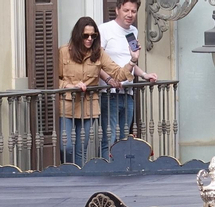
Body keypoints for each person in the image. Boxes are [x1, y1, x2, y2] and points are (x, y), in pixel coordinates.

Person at [57, 17, 134, 165]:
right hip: (67, 105)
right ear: (78, 35)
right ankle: (68, 172)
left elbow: (118, 73)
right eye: (85, 35)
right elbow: (55, 79)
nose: (89, 39)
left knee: (81, 149)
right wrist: (69, 85)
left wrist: (133, 60)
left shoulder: (98, 53)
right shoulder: (64, 51)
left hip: (88, 106)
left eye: (93, 36)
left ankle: (79, 176)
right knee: (66, 147)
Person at [96, 0, 156, 156]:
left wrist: (144, 75)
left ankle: (121, 169)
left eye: (133, 11)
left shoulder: (133, 31)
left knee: (124, 140)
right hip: (109, 94)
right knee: (109, 140)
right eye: (126, 10)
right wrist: (109, 80)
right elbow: (96, 62)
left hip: (128, 94)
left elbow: (130, 62)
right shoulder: (105, 29)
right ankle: (107, 169)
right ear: (117, 10)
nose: (130, 14)